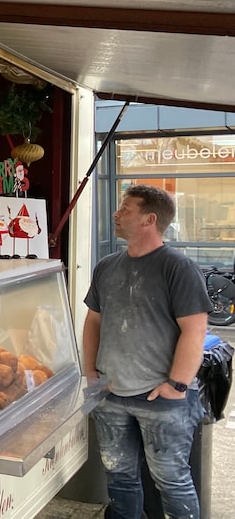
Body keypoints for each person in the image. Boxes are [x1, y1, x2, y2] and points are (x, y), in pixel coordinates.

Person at [82, 184, 209, 519]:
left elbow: (195, 331)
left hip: (162, 398)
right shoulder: (107, 266)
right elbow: (93, 321)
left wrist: (177, 385)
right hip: (111, 393)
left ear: (149, 220)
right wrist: (91, 374)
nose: (116, 213)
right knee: (120, 478)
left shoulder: (178, 268)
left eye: (126, 208)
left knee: (171, 481)